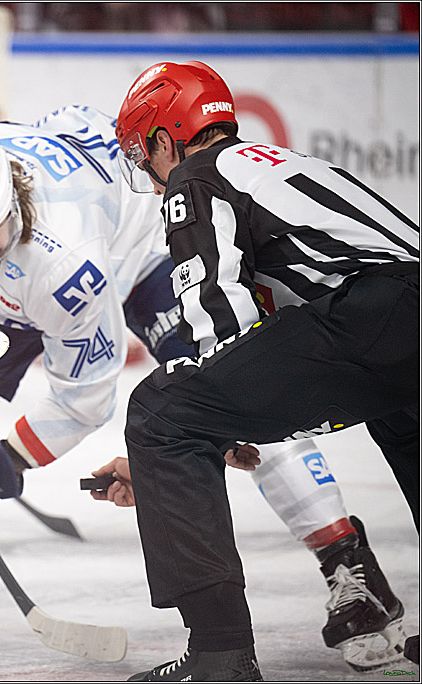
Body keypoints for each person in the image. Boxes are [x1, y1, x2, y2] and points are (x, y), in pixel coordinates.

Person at [0, 98, 413, 675]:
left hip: (141, 256)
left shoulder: (65, 269)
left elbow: (84, 398)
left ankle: (349, 568)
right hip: (18, 281)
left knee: (234, 396)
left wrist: (0, 461)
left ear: (15, 202)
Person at [110, 60, 418, 681]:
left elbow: (218, 312)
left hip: (374, 317)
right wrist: (232, 415)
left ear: (166, 139)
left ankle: (218, 656)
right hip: (404, 311)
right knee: (404, 422)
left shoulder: (195, 178)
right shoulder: (286, 161)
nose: (147, 168)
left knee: (160, 416)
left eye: (146, 154)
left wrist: (201, 429)